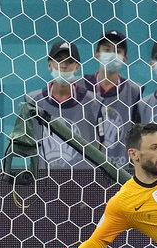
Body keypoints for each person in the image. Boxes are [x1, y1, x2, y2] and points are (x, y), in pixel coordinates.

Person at [27, 39, 104, 169]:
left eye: (69, 62)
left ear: (77, 67)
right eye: (58, 60)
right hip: (43, 179)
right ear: (49, 65)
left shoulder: (94, 102)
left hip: (84, 180)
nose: (63, 66)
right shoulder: (33, 101)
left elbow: (102, 143)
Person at [79, 31, 143, 169]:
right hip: (82, 169)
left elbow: (139, 137)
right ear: (97, 55)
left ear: (125, 59)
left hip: (121, 171)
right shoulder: (79, 87)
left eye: (117, 51)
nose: (112, 54)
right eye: (107, 50)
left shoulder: (135, 91)